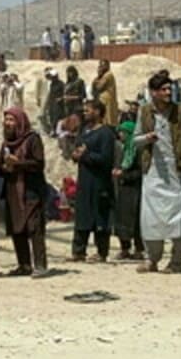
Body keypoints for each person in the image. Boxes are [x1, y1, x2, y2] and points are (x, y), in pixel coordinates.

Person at [132, 71, 181, 274]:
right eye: (163, 89)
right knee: (151, 218)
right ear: (153, 92)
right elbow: (135, 140)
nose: (168, 93)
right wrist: (147, 138)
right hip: (153, 171)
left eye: (169, 89)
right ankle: (152, 259)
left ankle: (176, 261)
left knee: (179, 217)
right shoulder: (145, 112)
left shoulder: (180, 112)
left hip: (176, 172)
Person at [0, 107, 48, 277]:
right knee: (17, 227)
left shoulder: (32, 139)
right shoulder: (6, 143)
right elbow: (0, 167)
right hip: (13, 190)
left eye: (12, 120)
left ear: (20, 122)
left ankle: (40, 265)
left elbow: (38, 164)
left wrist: (18, 163)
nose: (8, 123)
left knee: (34, 228)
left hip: (31, 190)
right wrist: (5, 167)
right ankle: (24, 265)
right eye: (6, 120)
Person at [71, 100, 116, 262]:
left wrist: (86, 155)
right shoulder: (84, 131)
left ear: (97, 112)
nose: (85, 113)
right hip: (84, 181)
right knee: (82, 215)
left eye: (88, 110)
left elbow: (106, 159)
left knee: (100, 216)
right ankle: (79, 251)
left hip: (99, 182)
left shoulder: (105, 133)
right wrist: (76, 155)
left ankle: (102, 252)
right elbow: (78, 150)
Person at [112, 119, 145, 261]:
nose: (120, 134)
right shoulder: (122, 149)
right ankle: (125, 248)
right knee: (121, 221)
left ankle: (139, 249)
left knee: (136, 221)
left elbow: (140, 171)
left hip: (135, 191)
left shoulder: (138, 150)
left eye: (123, 132)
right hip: (122, 190)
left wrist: (124, 174)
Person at [92, 61, 118, 127]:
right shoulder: (105, 75)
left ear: (107, 66)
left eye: (102, 66)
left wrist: (97, 79)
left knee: (108, 120)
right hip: (104, 100)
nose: (101, 67)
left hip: (107, 100)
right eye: (100, 66)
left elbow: (99, 87)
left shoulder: (108, 75)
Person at [46, 70, 66, 135]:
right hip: (52, 103)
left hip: (58, 104)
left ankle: (57, 131)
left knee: (57, 117)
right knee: (51, 116)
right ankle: (53, 130)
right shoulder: (52, 84)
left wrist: (61, 98)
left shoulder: (61, 84)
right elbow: (51, 93)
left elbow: (65, 93)